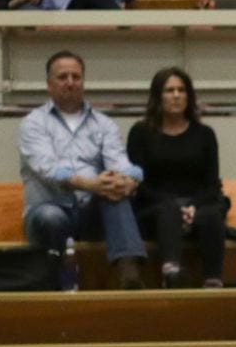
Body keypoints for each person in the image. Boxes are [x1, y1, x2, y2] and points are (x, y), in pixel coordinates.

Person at [18, 50, 148, 290]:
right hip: (48, 210)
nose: (70, 82)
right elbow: (48, 168)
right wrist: (91, 184)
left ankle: (129, 274)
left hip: (89, 215)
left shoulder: (103, 123)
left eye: (76, 77)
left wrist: (128, 180)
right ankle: (58, 283)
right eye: (63, 77)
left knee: (115, 195)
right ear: (49, 84)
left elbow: (119, 162)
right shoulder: (33, 123)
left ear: (83, 82)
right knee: (51, 217)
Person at [126, 67, 225, 289]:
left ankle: (213, 281)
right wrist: (173, 206)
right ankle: (171, 273)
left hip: (196, 206)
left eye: (181, 90)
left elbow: (212, 184)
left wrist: (192, 207)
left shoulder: (205, 134)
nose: (177, 95)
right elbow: (138, 183)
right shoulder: (141, 133)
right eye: (169, 90)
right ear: (158, 96)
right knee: (168, 209)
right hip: (154, 207)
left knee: (211, 214)